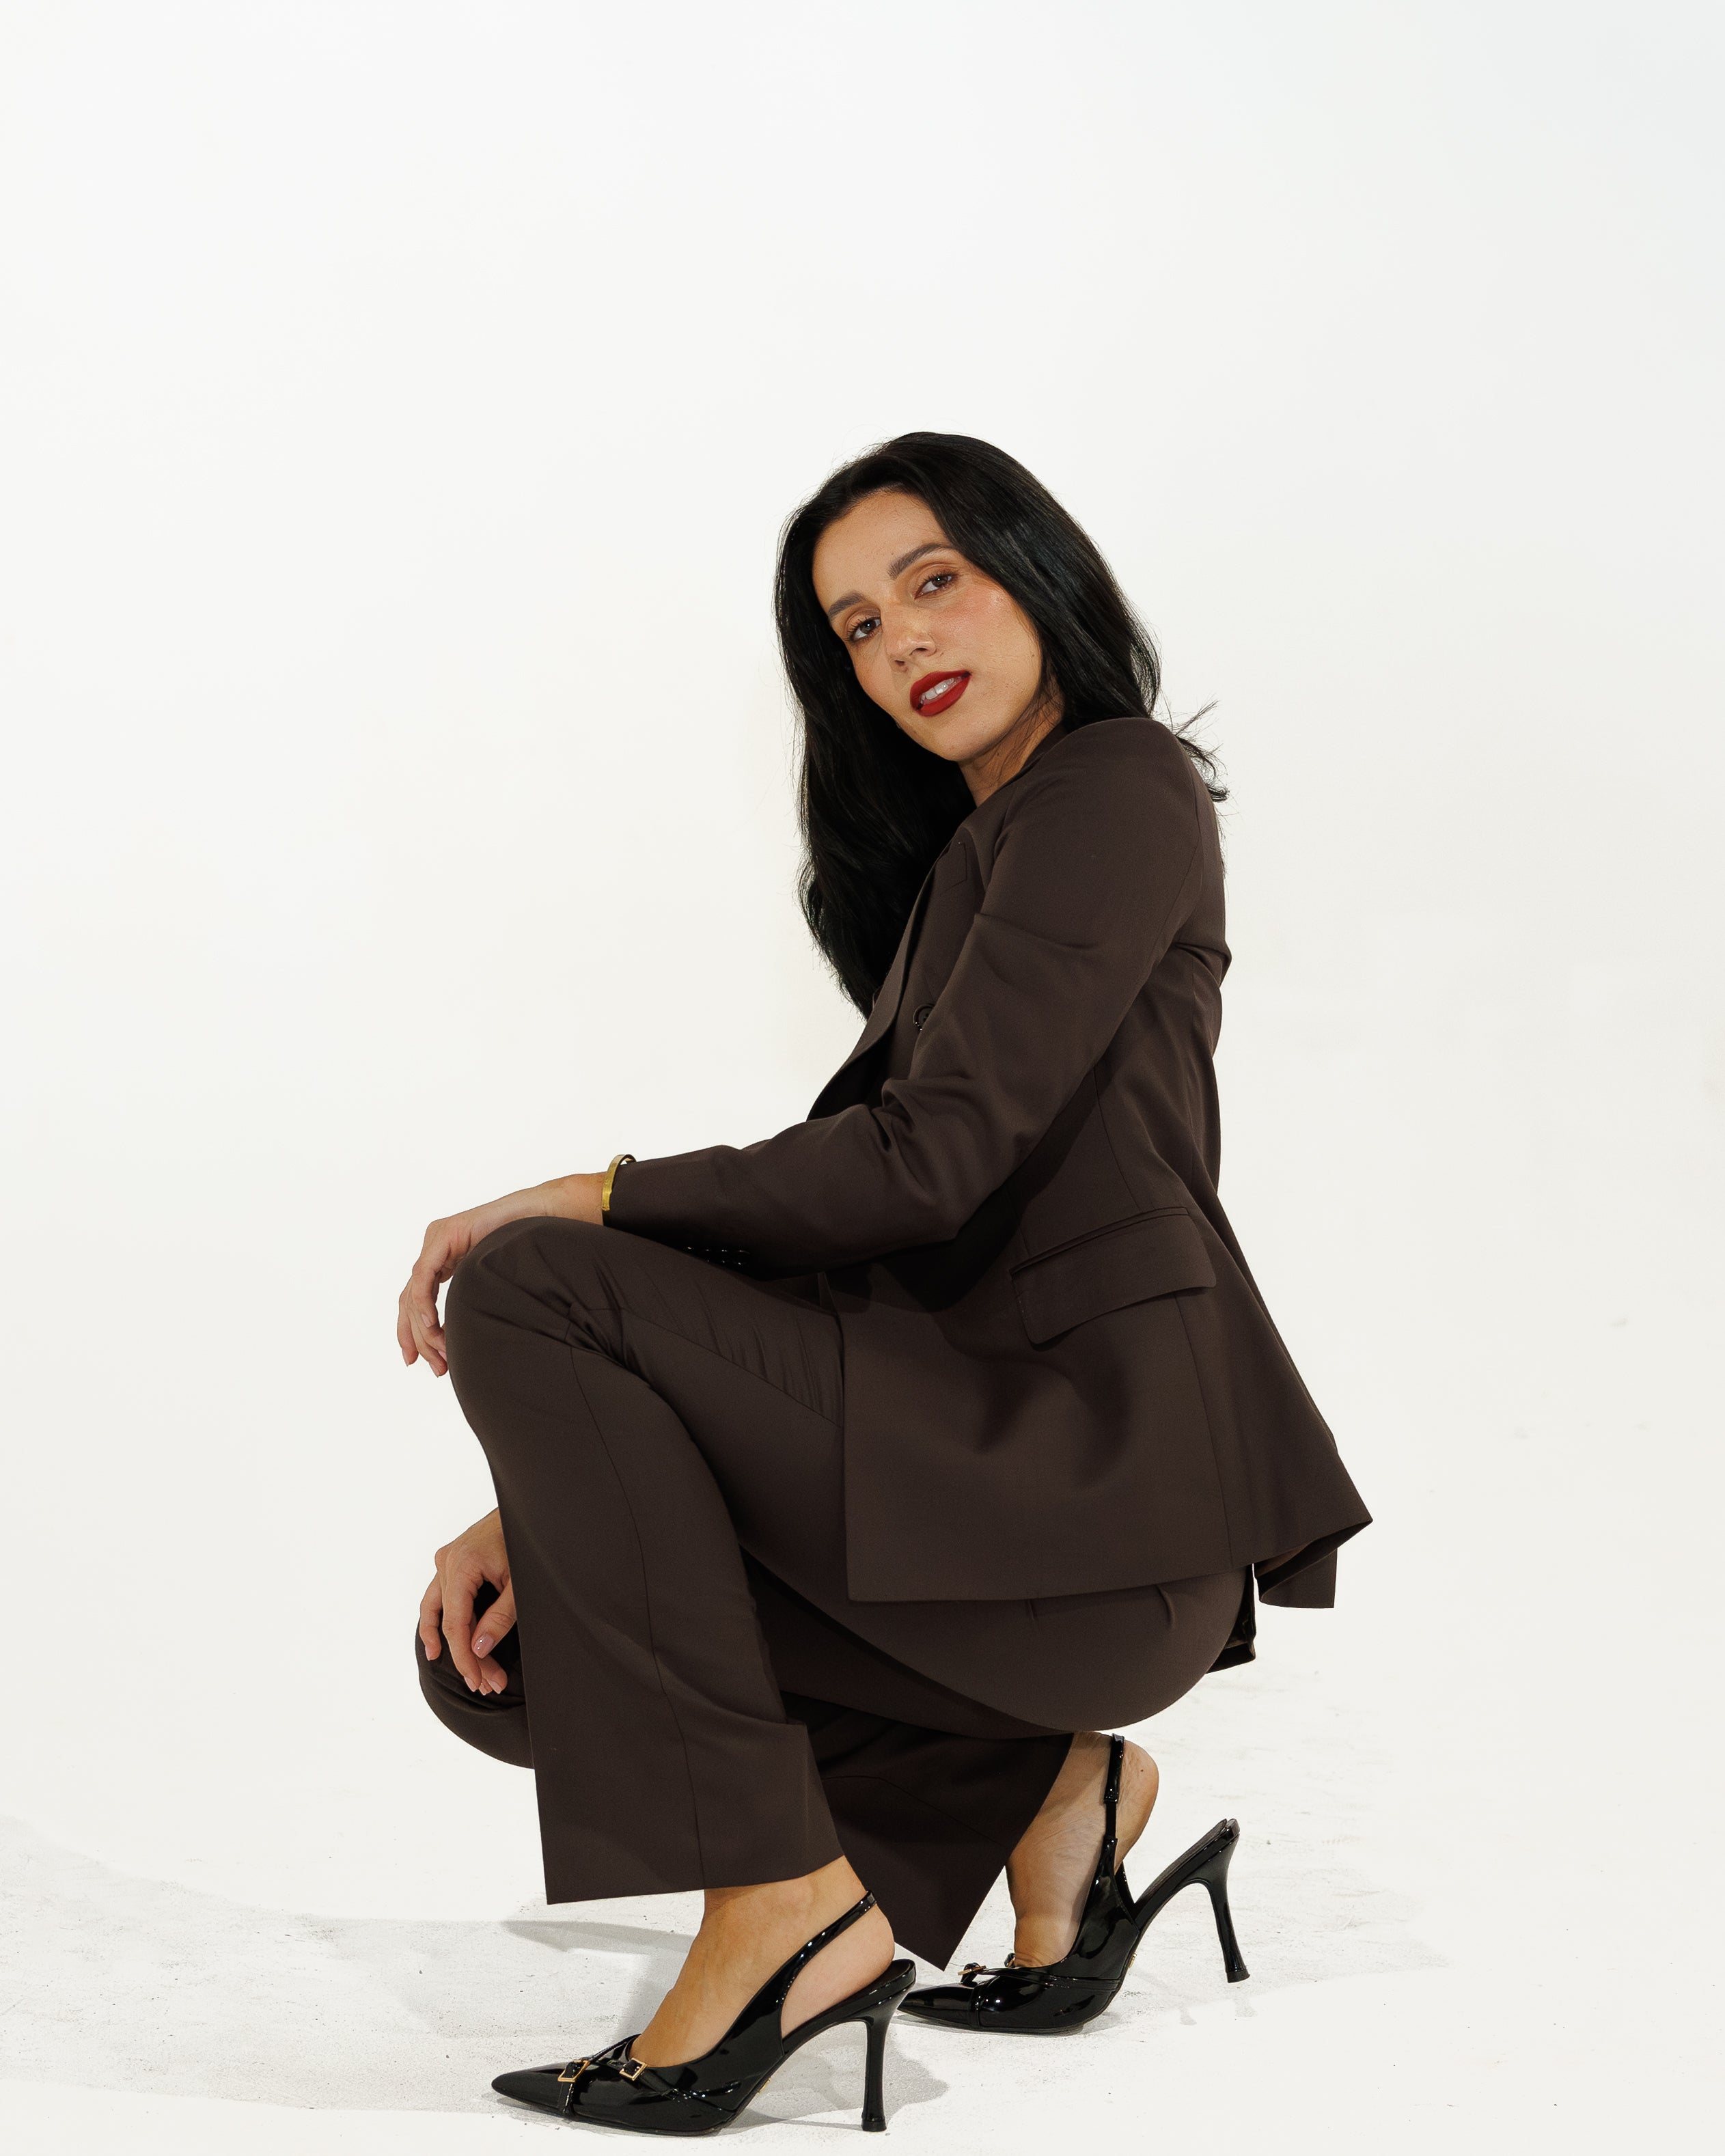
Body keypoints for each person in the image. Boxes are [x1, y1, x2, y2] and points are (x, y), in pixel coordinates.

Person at [398, 432, 1370, 2133]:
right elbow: (894, 1236)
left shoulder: (1116, 786)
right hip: (985, 1483)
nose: (900, 637)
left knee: (531, 1281)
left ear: (1038, 577)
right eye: (854, 625)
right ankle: (1054, 1794)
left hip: (1094, 1489)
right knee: (518, 1657)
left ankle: (787, 1913)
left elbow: (925, 1165)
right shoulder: (976, 866)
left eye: (935, 581)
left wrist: (592, 1196)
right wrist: (558, 1476)